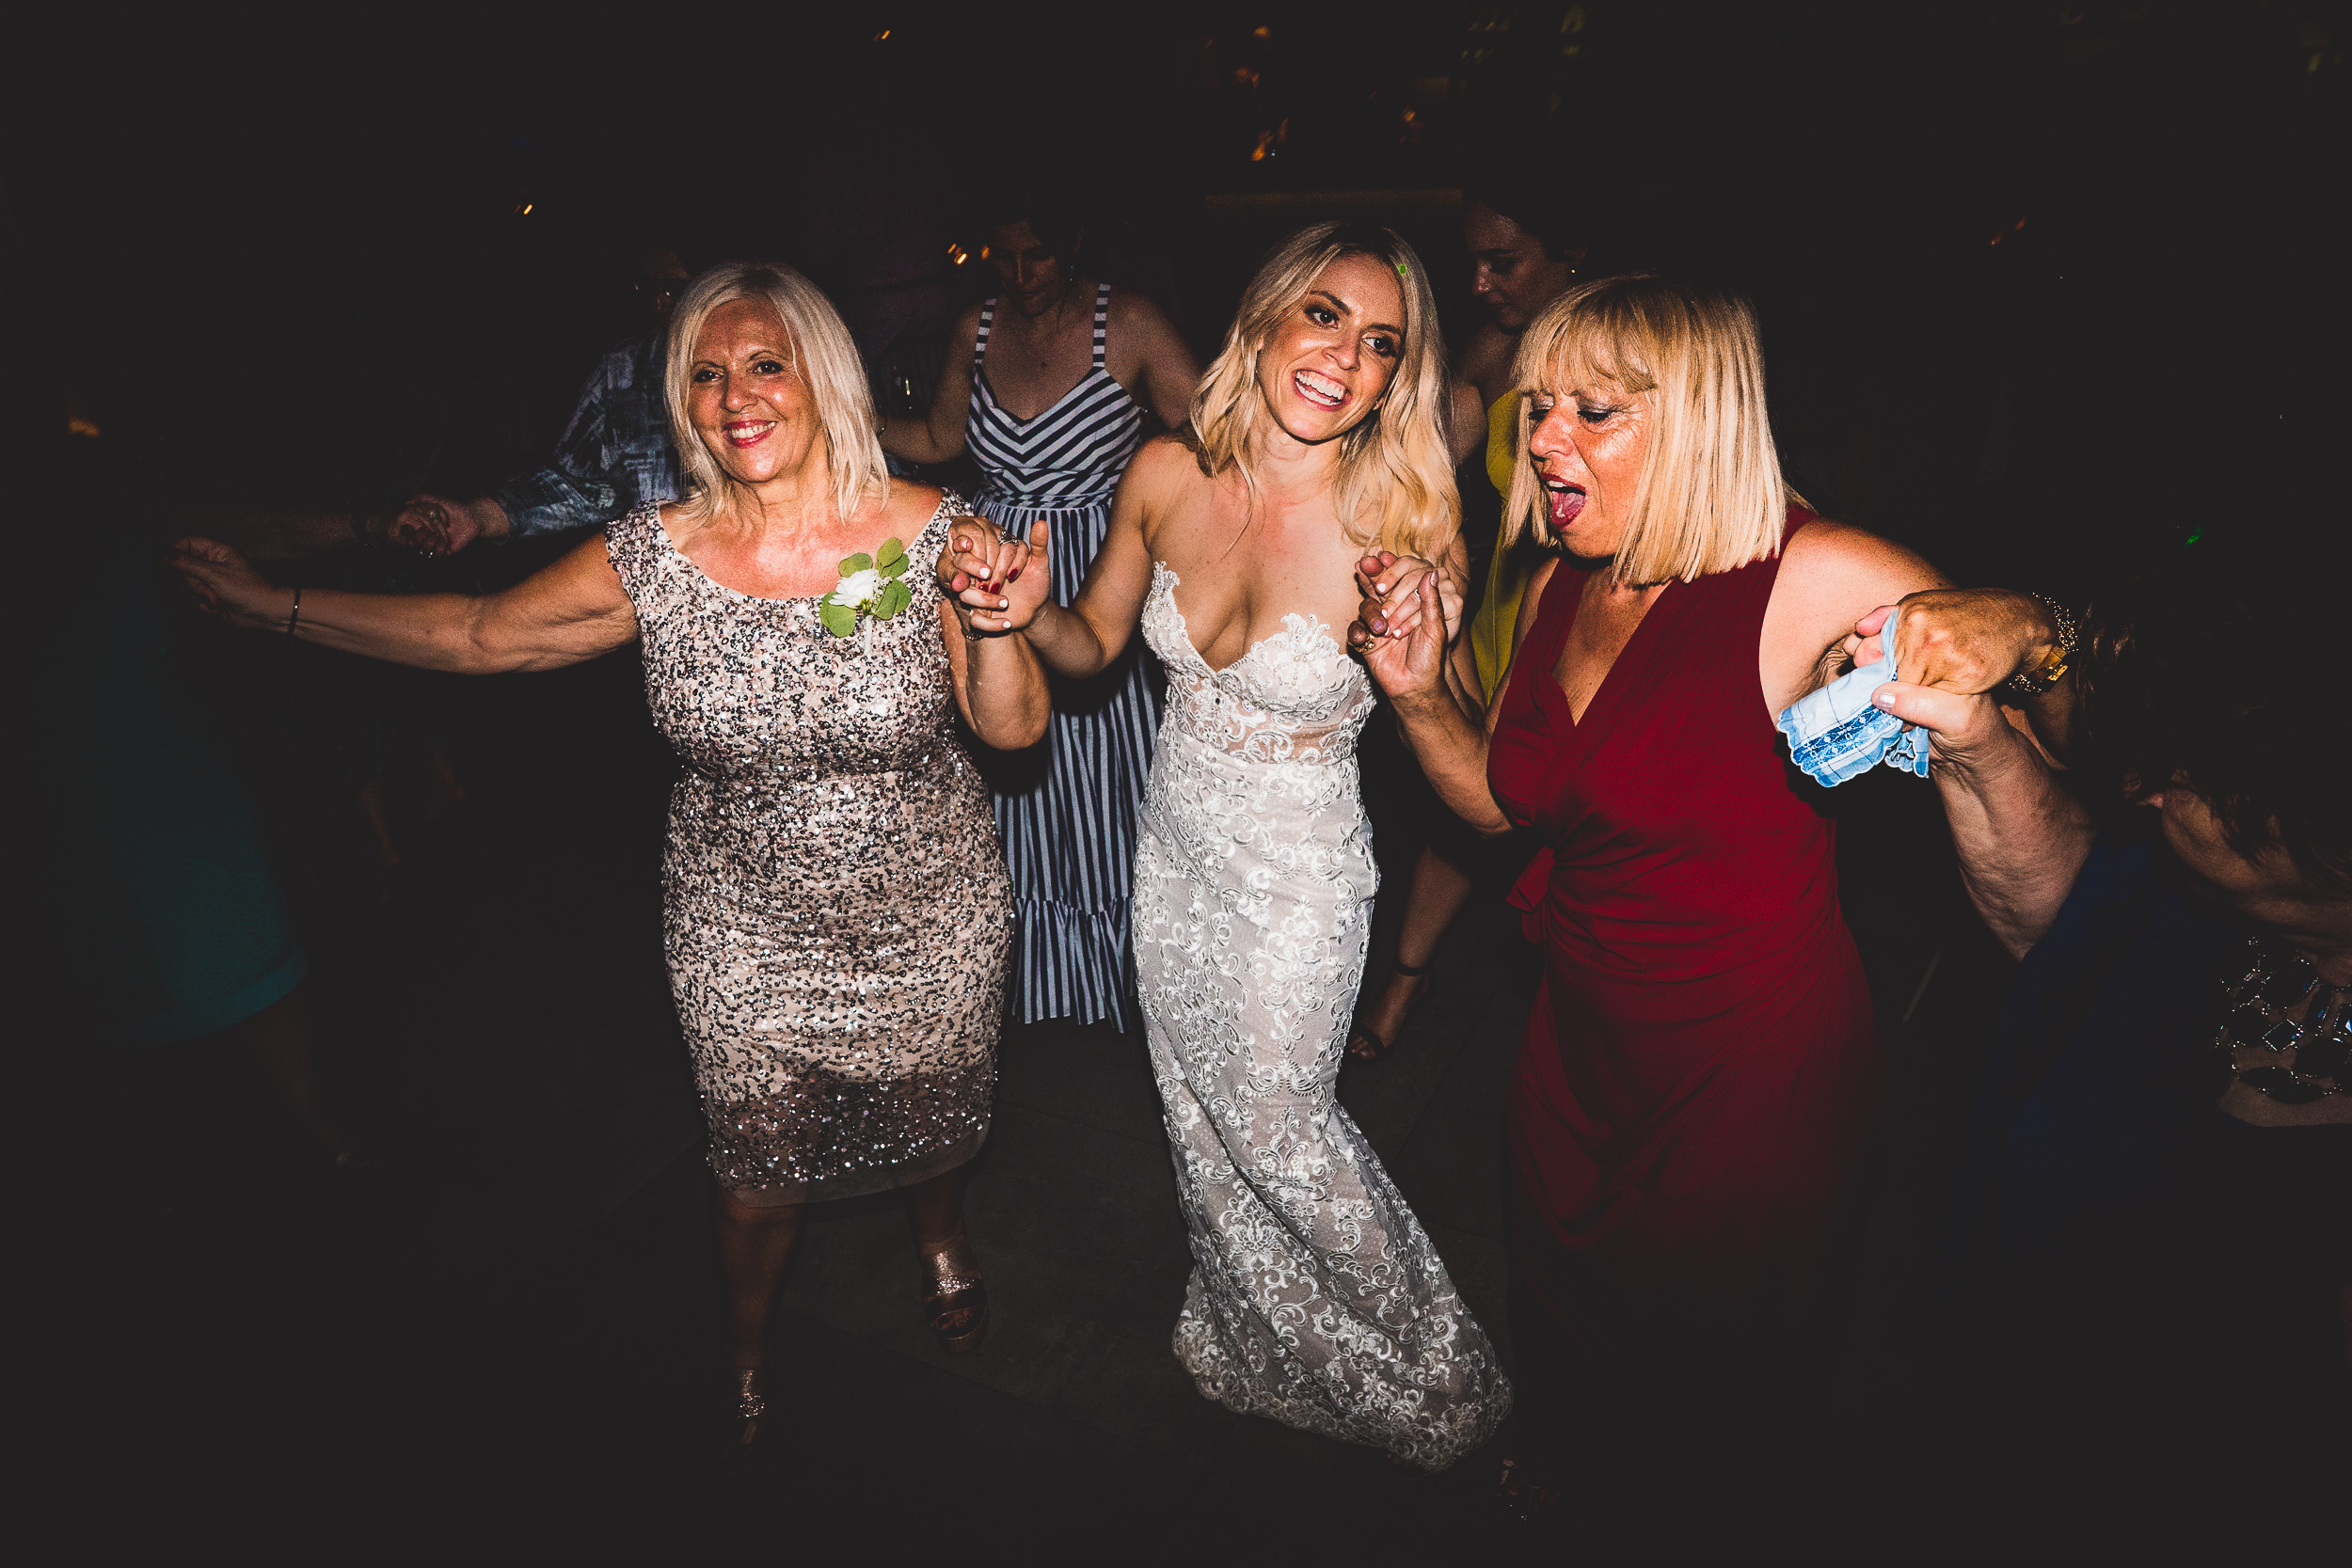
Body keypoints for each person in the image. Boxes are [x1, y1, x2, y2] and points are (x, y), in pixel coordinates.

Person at [169, 261, 1049, 1464]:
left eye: (763, 363)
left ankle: (940, 1241)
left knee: (934, 1101)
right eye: (704, 371)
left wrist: (997, 628)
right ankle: (746, 1348)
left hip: (930, 901)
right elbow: (479, 636)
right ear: (679, 400)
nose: (734, 394)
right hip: (740, 919)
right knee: (754, 1153)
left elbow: (1010, 731)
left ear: (823, 375)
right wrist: (276, 605)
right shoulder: (653, 553)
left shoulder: (936, 527)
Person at [1348, 272, 2058, 1510]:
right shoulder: (1578, 570)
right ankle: (1574, 1453)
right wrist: (1418, 695)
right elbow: (1515, 811)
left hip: (1744, 1078)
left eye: (1594, 413)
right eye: (1543, 406)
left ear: (1697, 422)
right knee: (1565, 1292)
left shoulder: (1805, 572)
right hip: (1577, 1042)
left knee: (1717, 1387)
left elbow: (2063, 669)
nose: (1546, 440)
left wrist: (2023, 621)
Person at [943, 223, 1511, 1470]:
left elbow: (1470, 753)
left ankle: (1446, 1372)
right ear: (1261, 321)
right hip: (1175, 841)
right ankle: (1264, 1333)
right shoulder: (1162, 472)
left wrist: (1418, 673)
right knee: (1194, 1113)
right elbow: (1093, 652)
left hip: (1304, 865)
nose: (1346, 358)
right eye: (1323, 316)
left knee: (1280, 1121)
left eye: (1382, 344)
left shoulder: (1404, 519)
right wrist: (1029, 618)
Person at [1864, 531, 2348, 1519]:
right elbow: (2066, 937)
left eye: (2181, 775)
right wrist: (1994, 720)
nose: (2139, 788)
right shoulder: (2203, 901)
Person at [882, 192, 1200, 1028]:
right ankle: (1029, 981)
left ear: (1074, 243)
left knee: (1106, 778)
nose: (1020, 276)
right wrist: (839, 422)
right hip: (992, 562)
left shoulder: (1125, 323)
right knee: (1012, 778)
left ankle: (1132, 981)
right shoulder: (974, 330)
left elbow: (1210, 434)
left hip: (1100, 566)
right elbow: (942, 439)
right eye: (1003, 257)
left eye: (1038, 256)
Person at [1349, 166, 1597, 1063]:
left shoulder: (1622, 348)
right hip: (1503, 597)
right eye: (1473, 263)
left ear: (1572, 253)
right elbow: (1412, 468)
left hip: (1593, 608)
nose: (1480, 285)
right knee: (1468, 800)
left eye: (1505, 262)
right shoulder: (1489, 357)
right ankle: (1404, 985)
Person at [384, 245, 695, 555]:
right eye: (649, 288)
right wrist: (478, 515)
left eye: (675, 288)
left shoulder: (739, 374)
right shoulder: (627, 369)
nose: (658, 304)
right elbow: (583, 485)